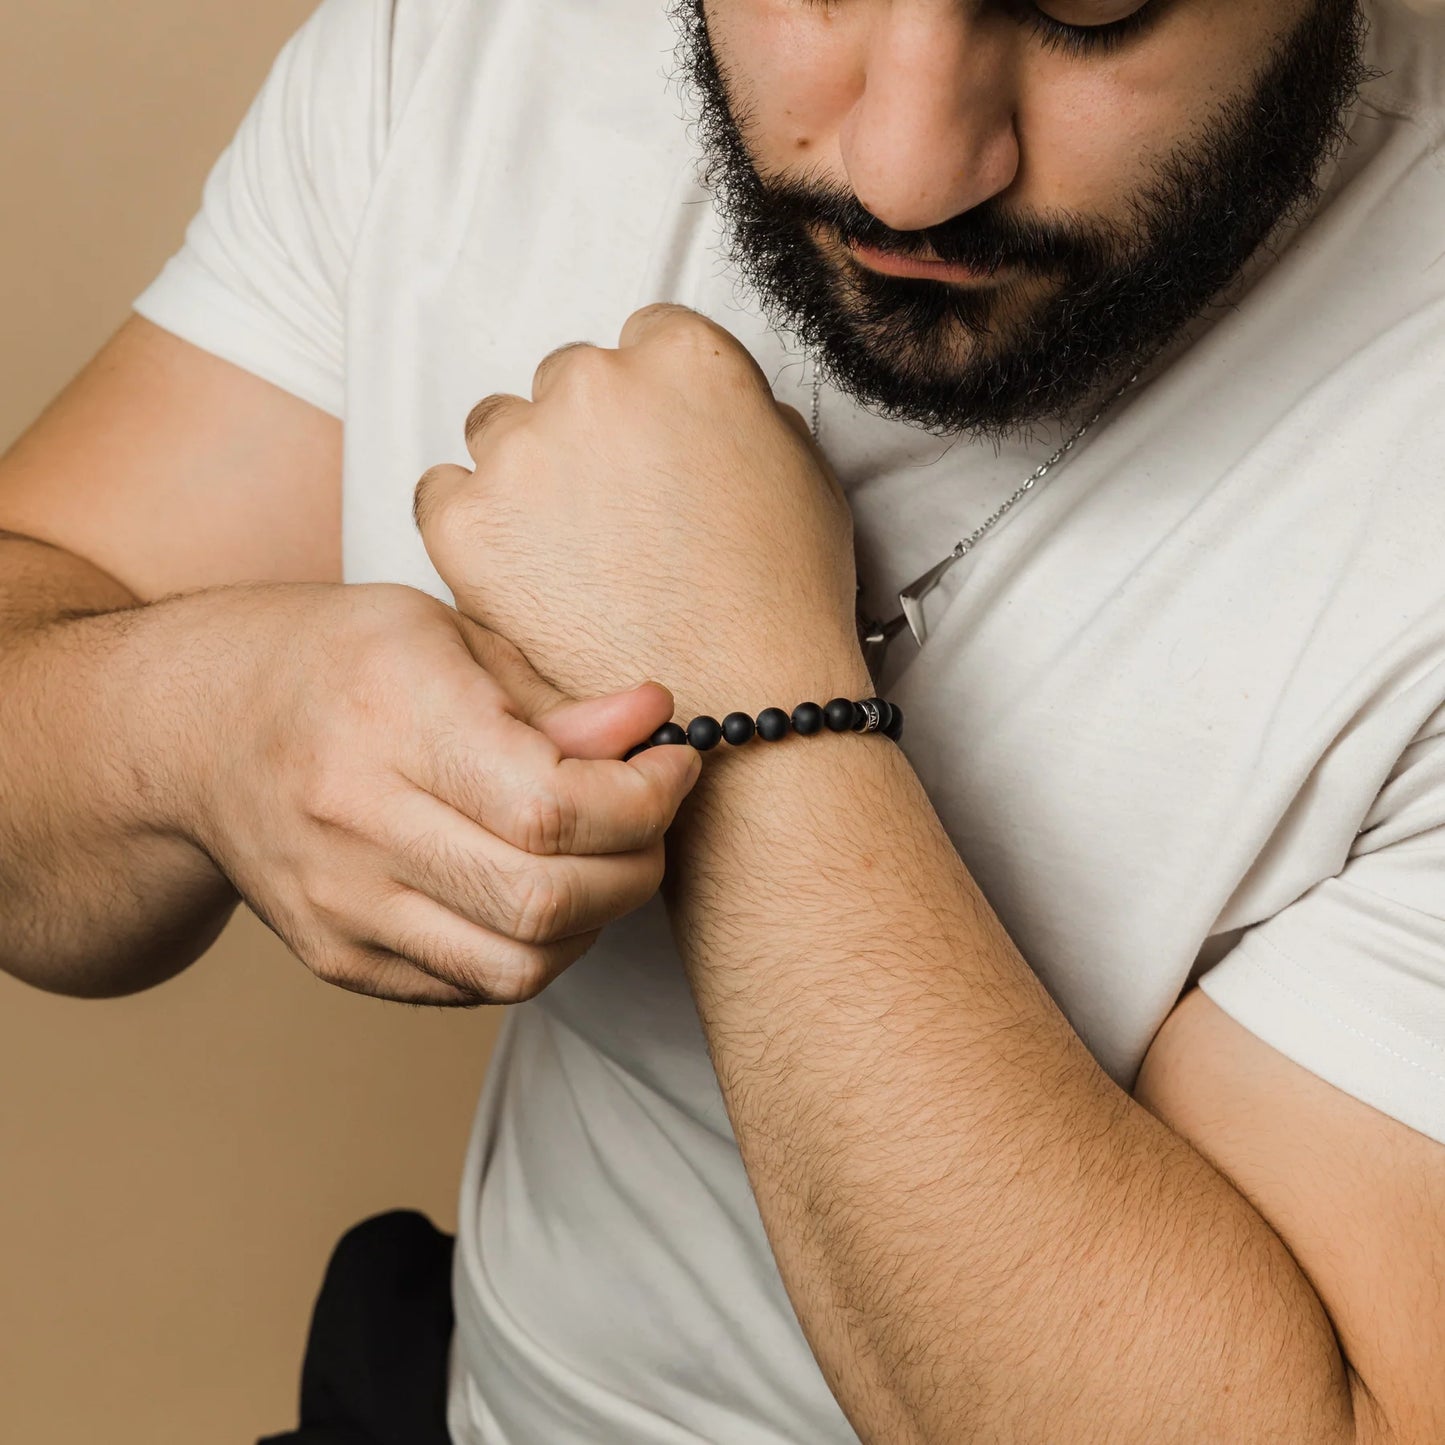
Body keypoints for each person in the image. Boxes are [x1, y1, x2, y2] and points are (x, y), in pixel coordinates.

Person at [2, 0, 1443, 1439]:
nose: (904, 174)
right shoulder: (469, 49)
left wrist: (745, 684)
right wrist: (201, 722)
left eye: (1087, 7)